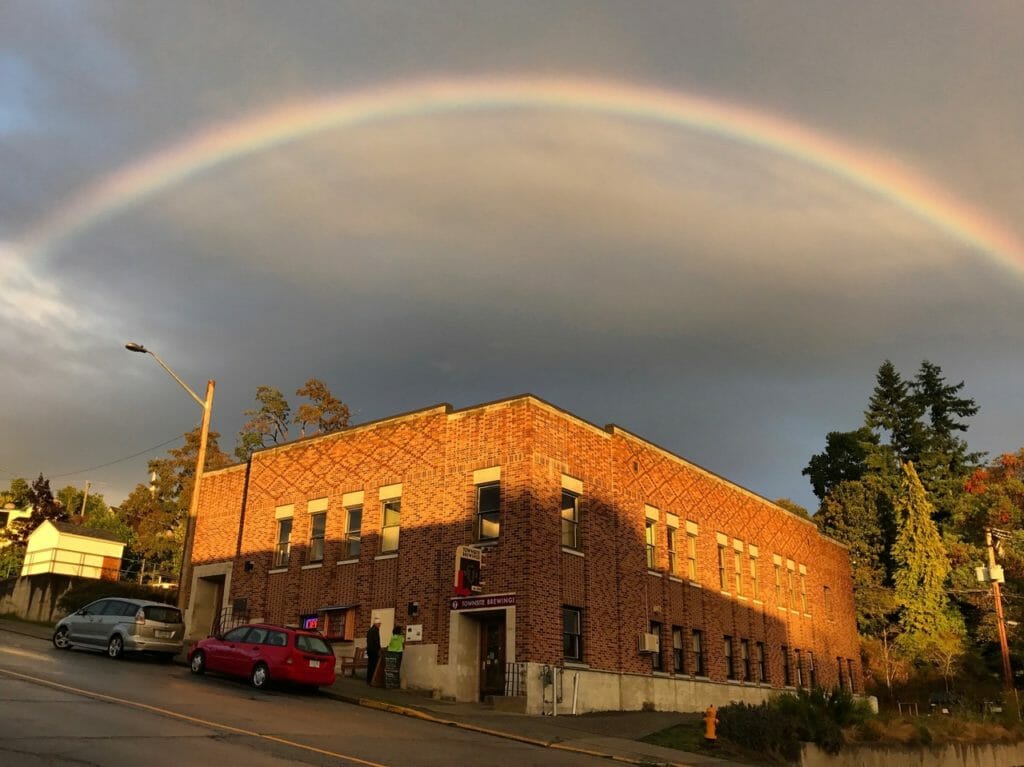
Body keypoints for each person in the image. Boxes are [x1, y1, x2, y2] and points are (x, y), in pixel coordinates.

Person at [365, 617, 382, 685]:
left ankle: (369, 680)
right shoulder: (375, 630)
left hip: (370, 650)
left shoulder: (370, 630)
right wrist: (379, 648)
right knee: (373, 665)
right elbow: (376, 641)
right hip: (374, 651)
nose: (380, 625)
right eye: (379, 624)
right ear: (376, 624)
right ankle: (372, 680)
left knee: (370, 665)